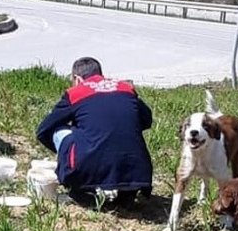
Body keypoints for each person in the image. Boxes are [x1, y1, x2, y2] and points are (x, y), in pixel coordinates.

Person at [36, 57, 154, 207]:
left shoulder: (76, 93)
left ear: (77, 79)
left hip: (88, 167)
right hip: (137, 170)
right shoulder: (126, 88)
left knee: (58, 131)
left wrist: (65, 154)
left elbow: (44, 129)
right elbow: (147, 120)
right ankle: (126, 192)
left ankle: (78, 181)